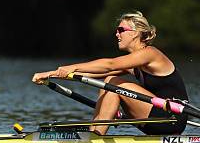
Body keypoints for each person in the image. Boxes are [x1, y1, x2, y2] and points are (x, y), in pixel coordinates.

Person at [32, 11, 189, 135]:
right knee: (108, 81)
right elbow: (91, 76)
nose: (117, 34)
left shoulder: (150, 53)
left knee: (113, 82)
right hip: (155, 119)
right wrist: (51, 74)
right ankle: (94, 131)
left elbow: (110, 64)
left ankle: (97, 135)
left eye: (121, 30)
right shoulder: (134, 63)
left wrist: (72, 67)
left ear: (135, 33)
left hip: (172, 118)